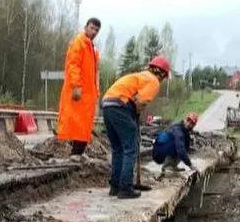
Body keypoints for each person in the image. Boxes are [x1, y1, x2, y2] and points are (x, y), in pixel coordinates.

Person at [101, 56, 171, 199]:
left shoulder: (140, 76)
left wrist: (133, 113)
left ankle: (115, 186)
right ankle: (125, 188)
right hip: (120, 105)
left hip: (107, 104)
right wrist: (137, 113)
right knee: (130, 148)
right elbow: (140, 101)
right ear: (162, 73)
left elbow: (134, 99)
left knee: (118, 148)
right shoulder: (153, 81)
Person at [56, 17, 101, 156]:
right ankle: (75, 156)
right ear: (85, 27)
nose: (93, 31)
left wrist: (96, 93)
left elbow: (94, 73)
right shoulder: (79, 43)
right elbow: (73, 65)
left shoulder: (92, 49)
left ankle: (76, 156)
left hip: (87, 95)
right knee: (78, 128)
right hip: (80, 93)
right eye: (92, 28)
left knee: (83, 129)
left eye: (96, 30)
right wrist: (76, 86)